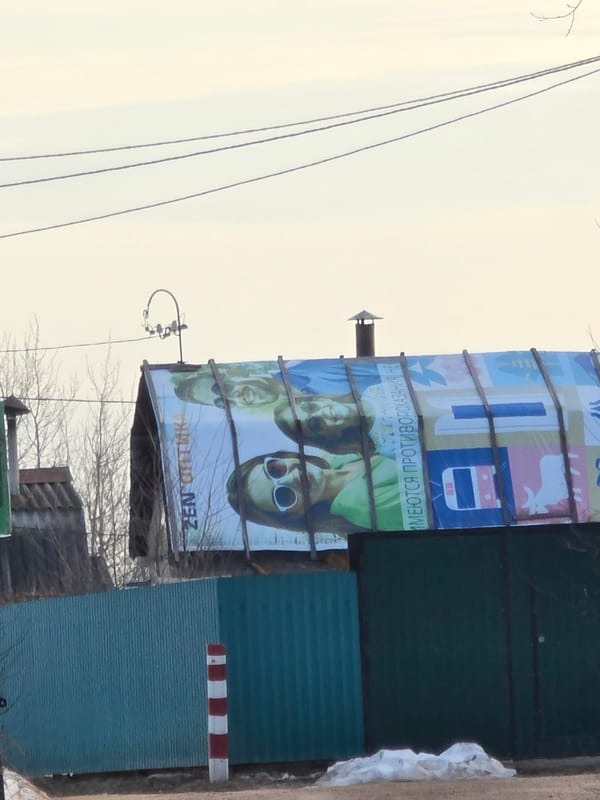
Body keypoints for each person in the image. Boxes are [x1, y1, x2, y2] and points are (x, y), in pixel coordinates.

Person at [226, 450, 404, 534]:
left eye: (276, 470)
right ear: (296, 514)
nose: (290, 479)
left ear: (283, 457)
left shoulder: (340, 457)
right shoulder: (363, 506)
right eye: (283, 496)